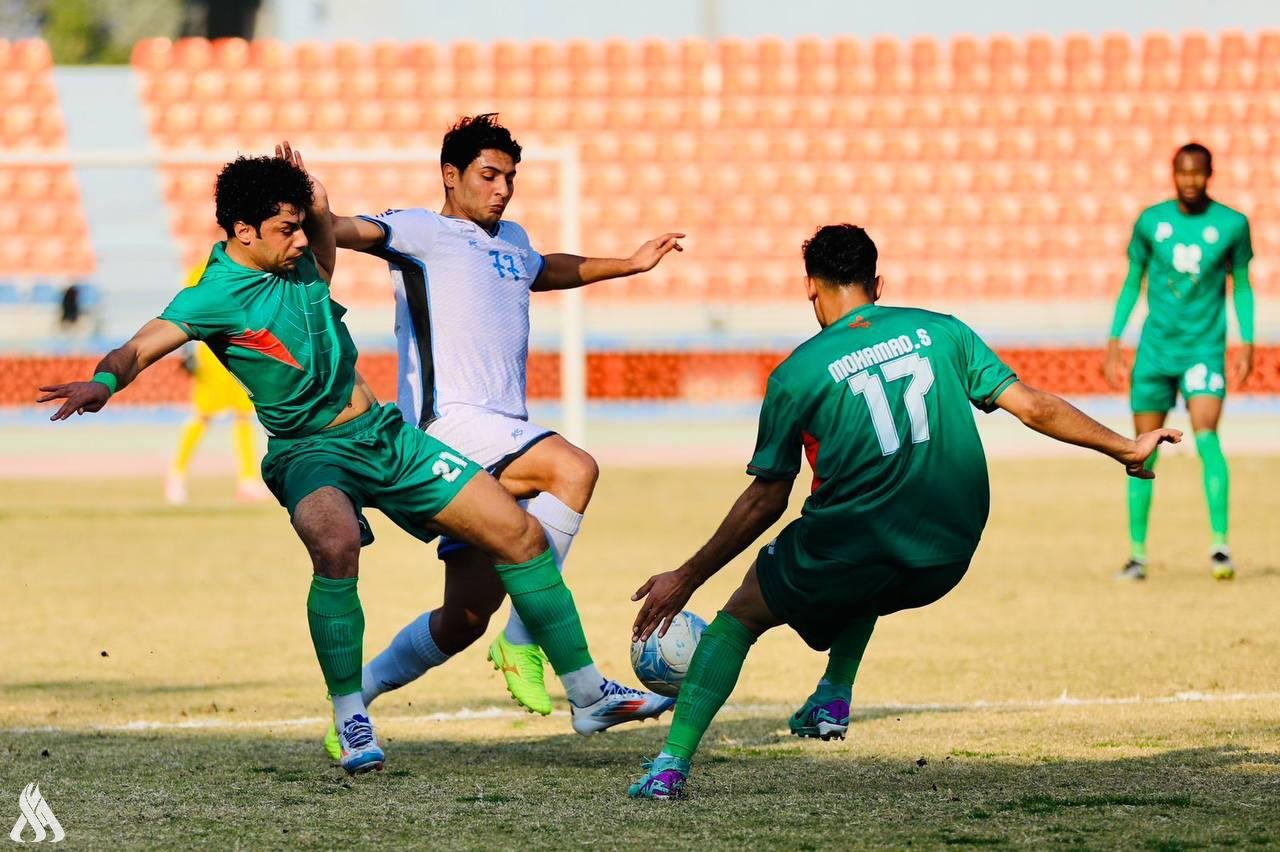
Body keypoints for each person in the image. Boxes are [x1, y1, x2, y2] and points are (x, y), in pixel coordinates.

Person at [38, 145, 672, 777]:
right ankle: (350, 714)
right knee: (336, 545)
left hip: (387, 439)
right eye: (285, 230)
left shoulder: (302, 263)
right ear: (242, 231)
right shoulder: (213, 297)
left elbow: (323, 226)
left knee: (523, 536)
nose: (300, 242)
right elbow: (140, 345)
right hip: (308, 455)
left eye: (299, 227)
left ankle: (587, 692)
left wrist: (312, 196)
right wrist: (103, 381)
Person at [624, 224, 1179, 799]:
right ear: (877, 283)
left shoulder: (797, 373)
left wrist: (686, 576)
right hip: (947, 550)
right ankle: (833, 695)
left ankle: (669, 766)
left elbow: (768, 497)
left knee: (742, 614)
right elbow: (1034, 407)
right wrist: (1125, 446)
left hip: (856, 545)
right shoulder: (943, 331)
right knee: (872, 560)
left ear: (811, 288)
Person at [317, 113, 683, 749]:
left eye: (510, 178)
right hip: (448, 426)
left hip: (501, 429)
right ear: (450, 176)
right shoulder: (420, 230)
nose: (503, 189)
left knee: (463, 617)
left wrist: (626, 264)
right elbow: (349, 231)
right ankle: (533, 646)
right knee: (574, 468)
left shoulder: (511, 237)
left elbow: (542, 268)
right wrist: (320, 212)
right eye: (489, 176)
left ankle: (355, 704)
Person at [1104, 142, 1255, 581]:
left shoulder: (1232, 224)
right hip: (1155, 350)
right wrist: (1115, 337)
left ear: (1210, 174)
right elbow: (1133, 279)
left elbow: (1242, 284)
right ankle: (1137, 554)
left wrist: (1246, 341)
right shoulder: (1151, 221)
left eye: (1198, 173)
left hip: (1204, 349)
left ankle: (1220, 546)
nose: (1190, 181)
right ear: (1173, 173)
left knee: (1207, 435)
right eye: (1183, 173)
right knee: (1139, 448)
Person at [164, 261, 271, 505]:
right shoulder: (203, 268)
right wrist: (187, 349)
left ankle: (247, 480)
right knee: (203, 415)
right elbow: (189, 310)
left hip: (240, 350)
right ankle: (176, 475)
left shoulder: (247, 268)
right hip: (213, 354)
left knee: (243, 415)